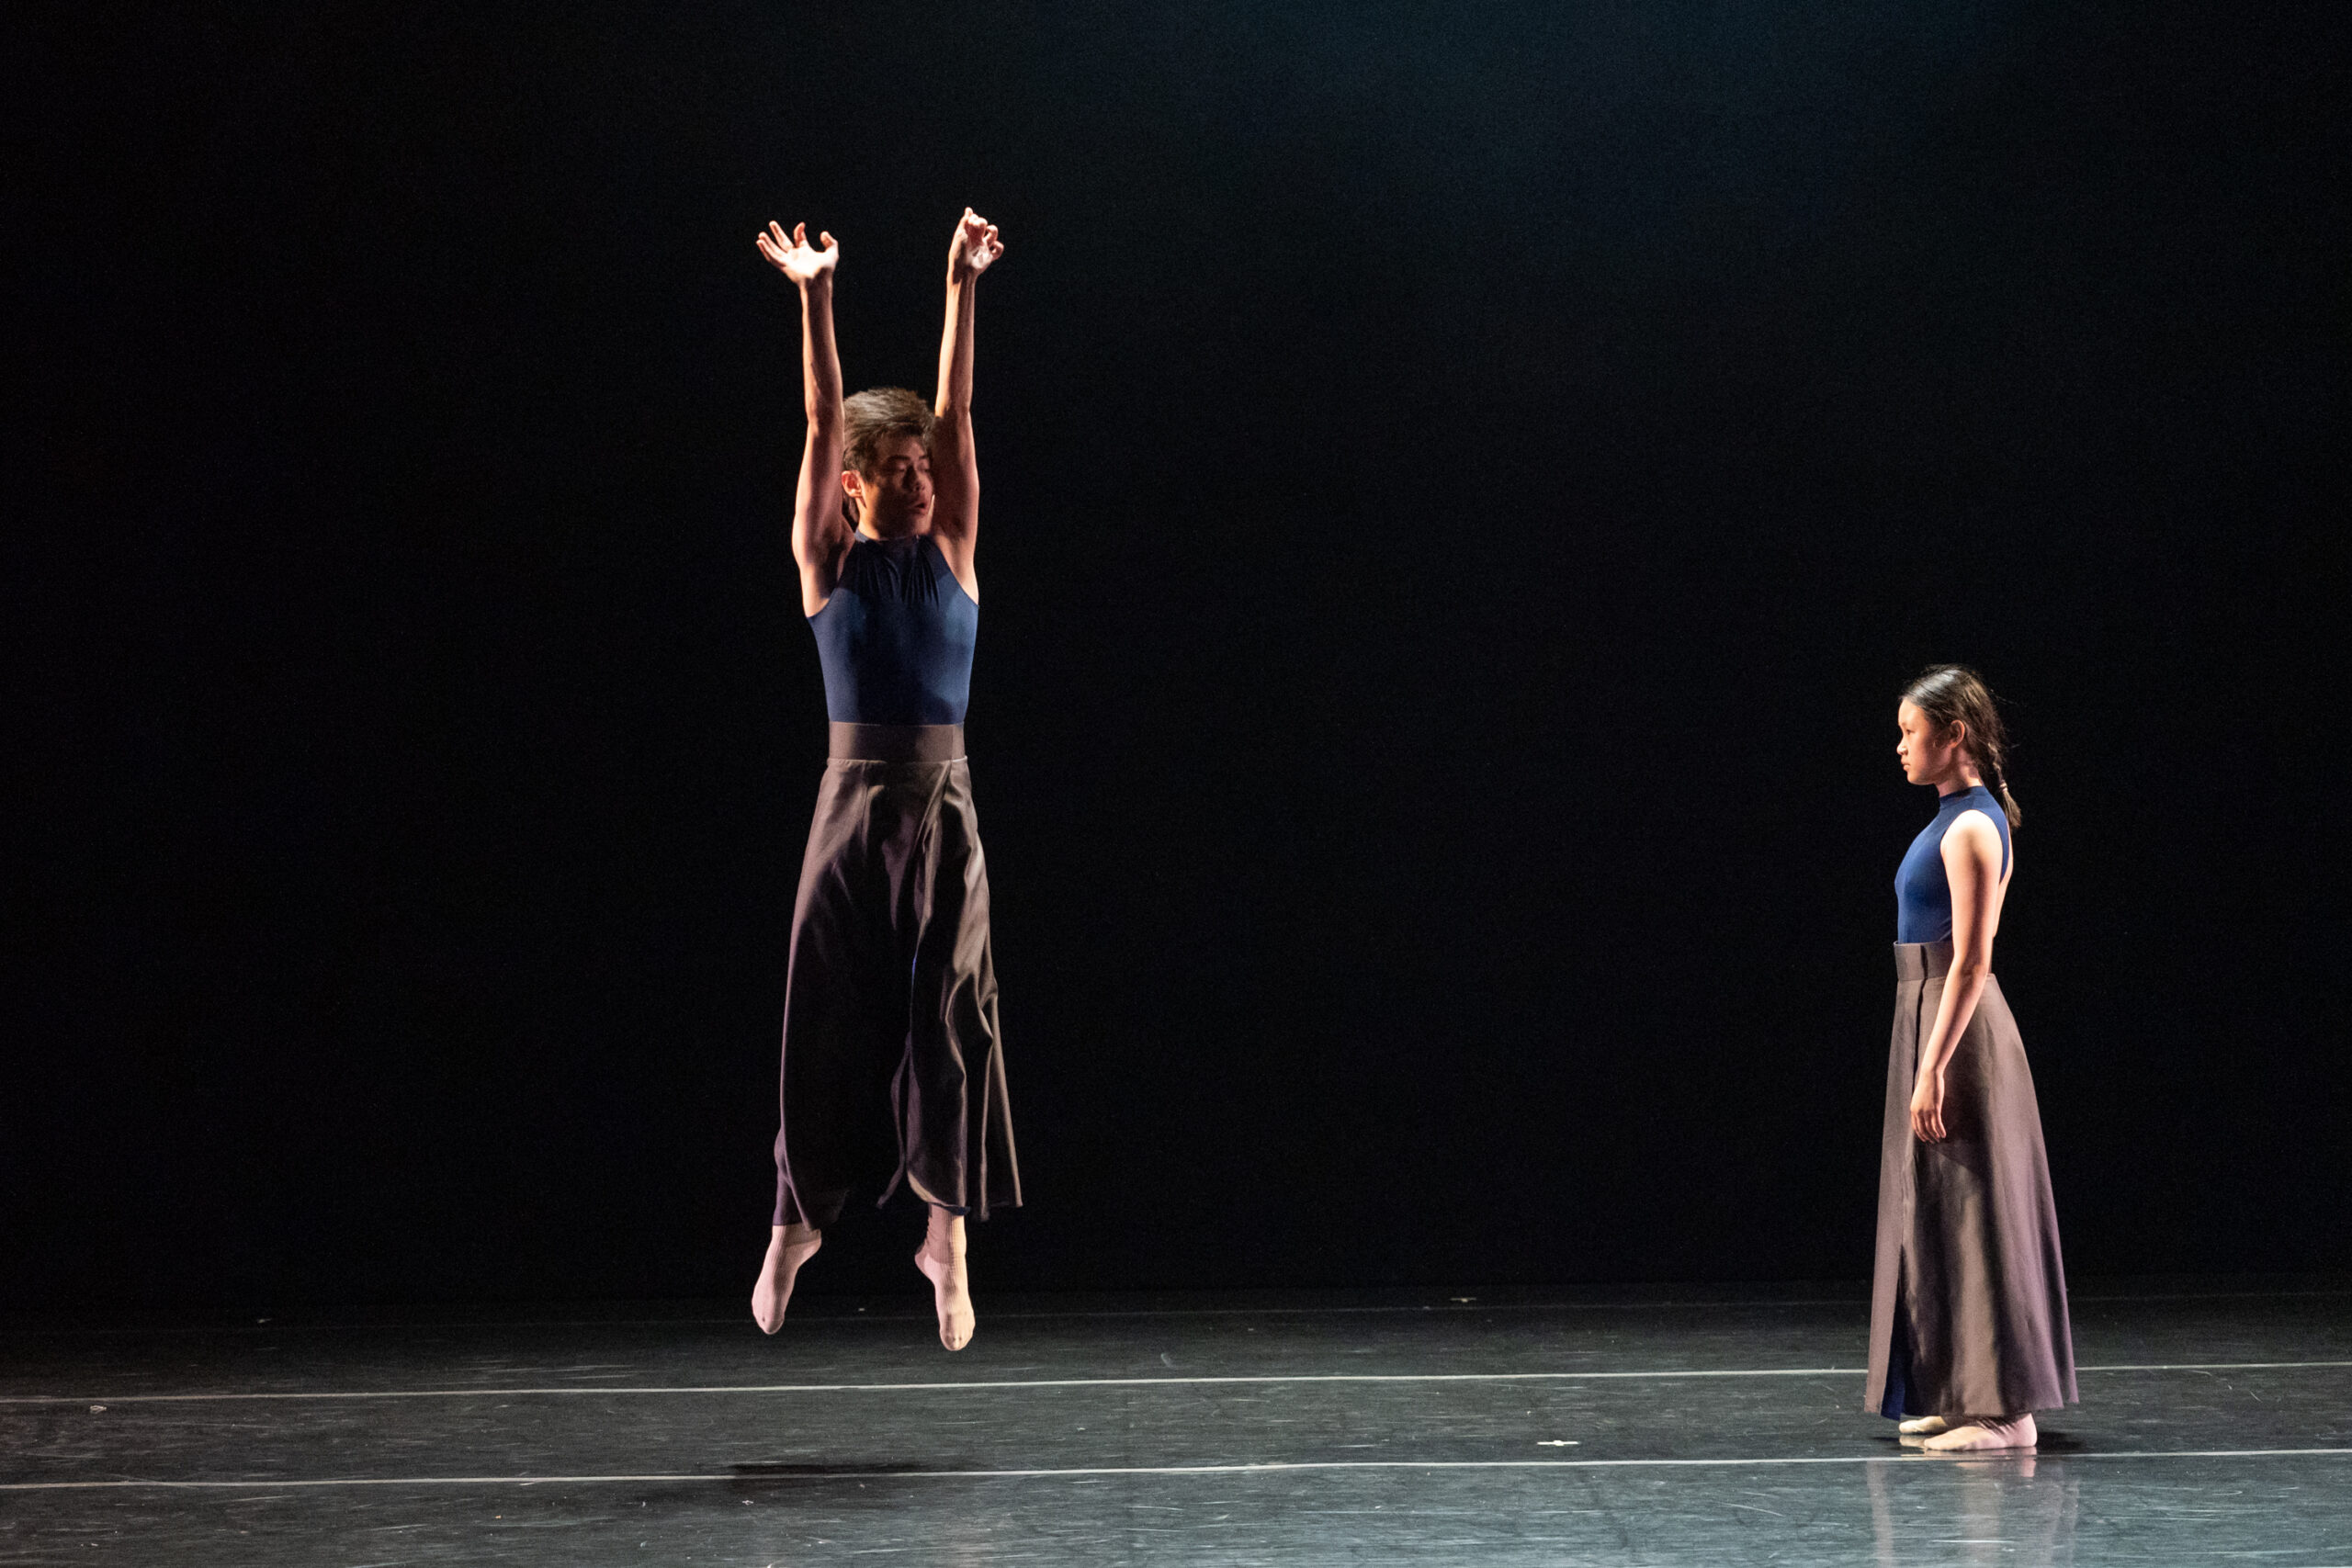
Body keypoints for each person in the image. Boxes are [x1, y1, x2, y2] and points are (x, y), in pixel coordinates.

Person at [747, 209, 1020, 1350]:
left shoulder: (954, 556)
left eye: (921, 469)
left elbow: (959, 415)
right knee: (826, 1019)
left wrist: (960, 281)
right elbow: (819, 414)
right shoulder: (826, 564)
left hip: (943, 810)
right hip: (850, 811)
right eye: (894, 471)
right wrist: (815, 296)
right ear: (855, 489)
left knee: (951, 1020)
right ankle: (794, 1221)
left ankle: (944, 1234)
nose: (917, 481)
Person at [1866, 665, 2076, 1450]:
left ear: (1954, 734)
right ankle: (1961, 1391)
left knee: (1978, 1209)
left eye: (1910, 733)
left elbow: (1972, 958)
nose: (1900, 747)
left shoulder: (1975, 827)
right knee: (1940, 1212)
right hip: (1922, 1010)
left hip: (1957, 1026)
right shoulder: (1951, 818)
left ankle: (2006, 1410)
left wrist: (1933, 1064)